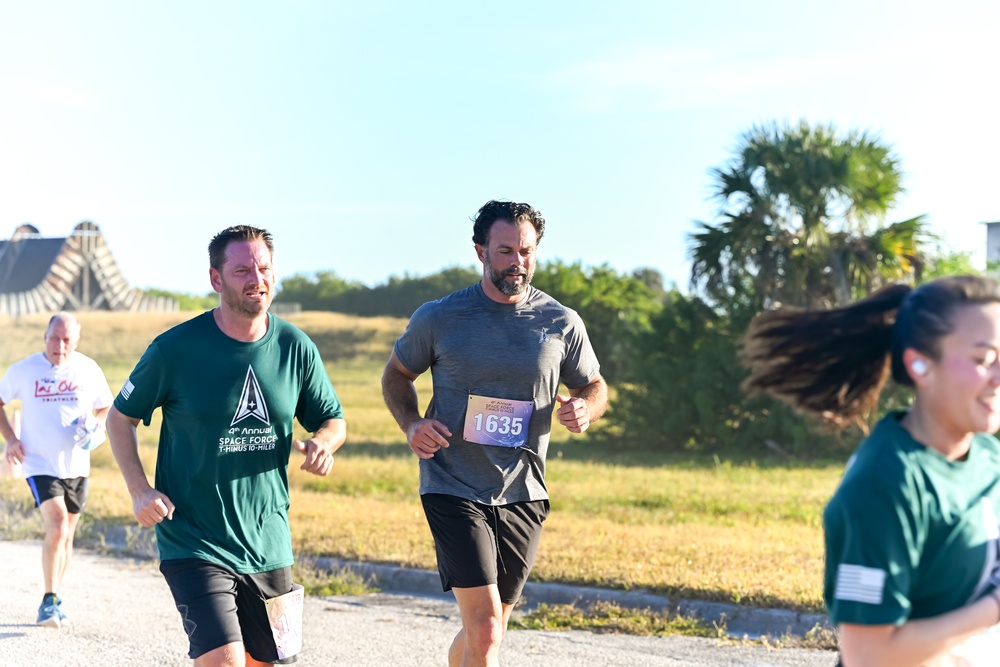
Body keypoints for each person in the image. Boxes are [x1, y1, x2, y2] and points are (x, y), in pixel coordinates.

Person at [381, 199, 608, 667]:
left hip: (523, 489)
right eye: (505, 251)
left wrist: (586, 407)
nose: (517, 262)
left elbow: (594, 385)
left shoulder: (560, 322)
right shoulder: (440, 317)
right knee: (485, 629)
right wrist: (412, 423)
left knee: (488, 631)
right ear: (480, 251)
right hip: (452, 484)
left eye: (526, 251)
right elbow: (397, 374)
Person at [107, 225, 346, 667]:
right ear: (216, 279)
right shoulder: (175, 349)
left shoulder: (295, 346)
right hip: (194, 538)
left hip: (269, 541)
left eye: (264, 268)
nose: (257, 279)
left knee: (267, 661)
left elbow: (333, 419)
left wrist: (324, 443)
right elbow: (119, 418)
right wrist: (139, 490)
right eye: (242, 271)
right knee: (225, 660)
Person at [741, 275, 1000, 666]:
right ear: (919, 364)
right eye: (984, 360)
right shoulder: (884, 484)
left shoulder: (987, 455)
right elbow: (867, 655)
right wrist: (993, 607)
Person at [0, 312, 114, 628]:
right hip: (38, 463)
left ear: (75, 341)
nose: (59, 346)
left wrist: (96, 424)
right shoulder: (24, 370)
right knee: (59, 526)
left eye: (66, 340)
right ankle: (48, 601)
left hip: (77, 465)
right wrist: (11, 439)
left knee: (67, 536)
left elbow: (106, 407)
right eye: (54, 338)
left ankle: (56, 596)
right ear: (45, 337)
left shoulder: (88, 369)